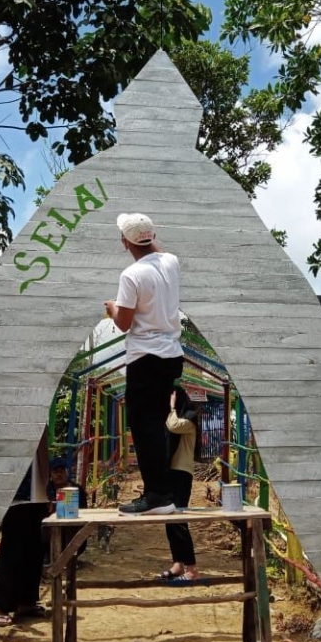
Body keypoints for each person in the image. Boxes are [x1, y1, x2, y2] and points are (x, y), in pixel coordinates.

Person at [104, 212, 183, 516]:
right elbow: (159, 253)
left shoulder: (131, 276)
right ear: (153, 235)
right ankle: (161, 492)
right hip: (171, 355)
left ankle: (157, 497)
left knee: (143, 427)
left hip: (145, 356)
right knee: (155, 426)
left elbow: (124, 323)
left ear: (125, 242)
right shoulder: (171, 262)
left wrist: (113, 307)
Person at [0, 434, 50, 627]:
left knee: (35, 548)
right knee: (11, 550)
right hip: (14, 494)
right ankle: (4, 606)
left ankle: (27, 601)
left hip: (38, 492)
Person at [158, 387, 201, 584]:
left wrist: (171, 407)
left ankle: (191, 569)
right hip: (172, 472)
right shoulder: (179, 418)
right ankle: (178, 564)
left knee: (178, 520)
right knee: (170, 519)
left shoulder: (190, 419)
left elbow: (173, 425)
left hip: (182, 473)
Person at [44, 456, 88, 560]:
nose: (59, 474)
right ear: (50, 474)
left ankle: (70, 558)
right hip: (50, 529)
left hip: (72, 527)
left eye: (62, 471)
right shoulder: (45, 489)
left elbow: (84, 511)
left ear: (67, 472)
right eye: (55, 471)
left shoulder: (77, 489)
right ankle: (48, 556)